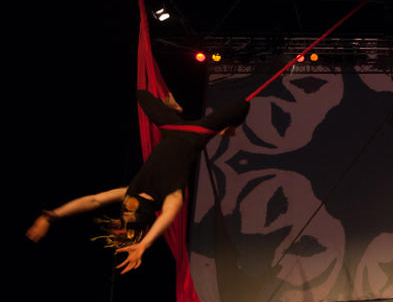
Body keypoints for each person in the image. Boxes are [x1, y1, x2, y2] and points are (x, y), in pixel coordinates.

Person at [25, 90, 250, 274]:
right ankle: (227, 127)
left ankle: (174, 109)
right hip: (198, 133)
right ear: (143, 212)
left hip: (170, 128)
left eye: (123, 211)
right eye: (129, 213)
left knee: (141, 93)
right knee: (242, 105)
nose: (125, 207)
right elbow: (166, 220)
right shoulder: (172, 196)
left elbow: (93, 201)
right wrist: (144, 244)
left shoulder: (129, 192)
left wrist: (51, 216)